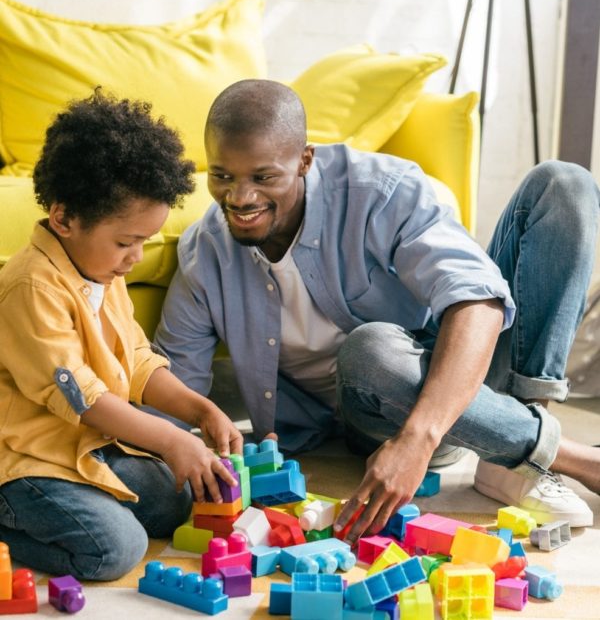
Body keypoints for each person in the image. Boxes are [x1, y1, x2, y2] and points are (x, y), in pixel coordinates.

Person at [155, 79, 600, 543]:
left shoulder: (380, 191)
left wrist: (417, 441)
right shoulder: (205, 254)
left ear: (305, 160)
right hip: (378, 413)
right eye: (222, 176)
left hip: (437, 405)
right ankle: (560, 457)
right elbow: (172, 387)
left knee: (564, 184)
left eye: (263, 177)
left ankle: (516, 449)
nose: (240, 198)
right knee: (369, 352)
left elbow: (476, 298)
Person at [0, 91, 243, 581]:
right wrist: (172, 440)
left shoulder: (100, 271)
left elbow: (135, 360)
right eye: (126, 242)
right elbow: (83, 398)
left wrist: (200, 410)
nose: (135, 257)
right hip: (23, 460)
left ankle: (80, 501)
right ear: (65, 218)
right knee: (115, 550)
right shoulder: (30, 286)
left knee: (178, 500)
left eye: (144, 243)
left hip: (84, 444)